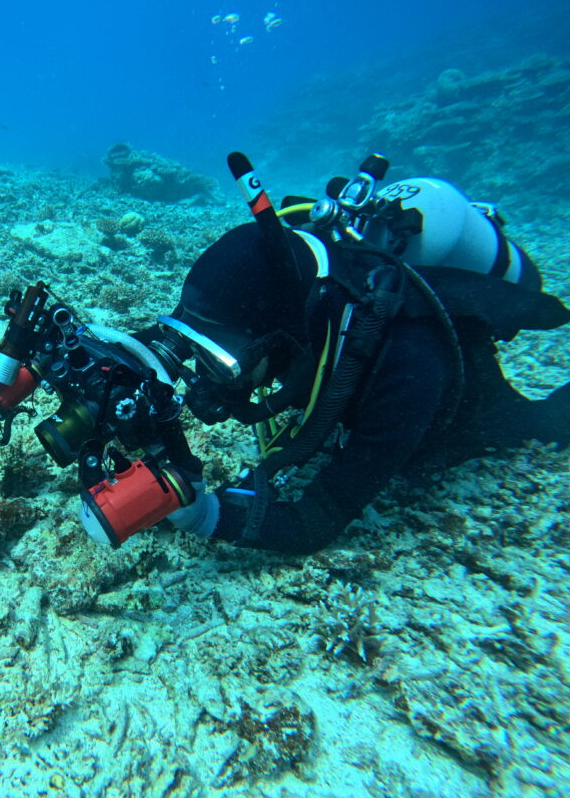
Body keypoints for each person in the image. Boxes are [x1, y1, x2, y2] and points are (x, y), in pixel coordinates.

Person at [146, 163, 570, 555]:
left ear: (283, 340)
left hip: (452, 404)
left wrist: (206, 516)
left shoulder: (407, 368)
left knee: (530, 428)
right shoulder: (295, 299)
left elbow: (315, 521)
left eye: (222, 362)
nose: (206, 376)